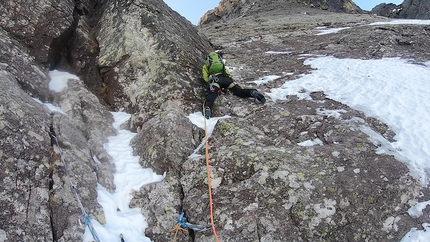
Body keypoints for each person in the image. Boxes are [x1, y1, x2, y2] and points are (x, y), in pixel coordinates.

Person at [202, 51, 266, 119]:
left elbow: (205, 79)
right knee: (239, 91)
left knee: (212, 95)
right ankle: (252, 92)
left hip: (215, 81)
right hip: (227, 80)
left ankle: (208, 108)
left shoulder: (206, 66)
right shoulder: (221, 62)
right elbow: (228, 74)